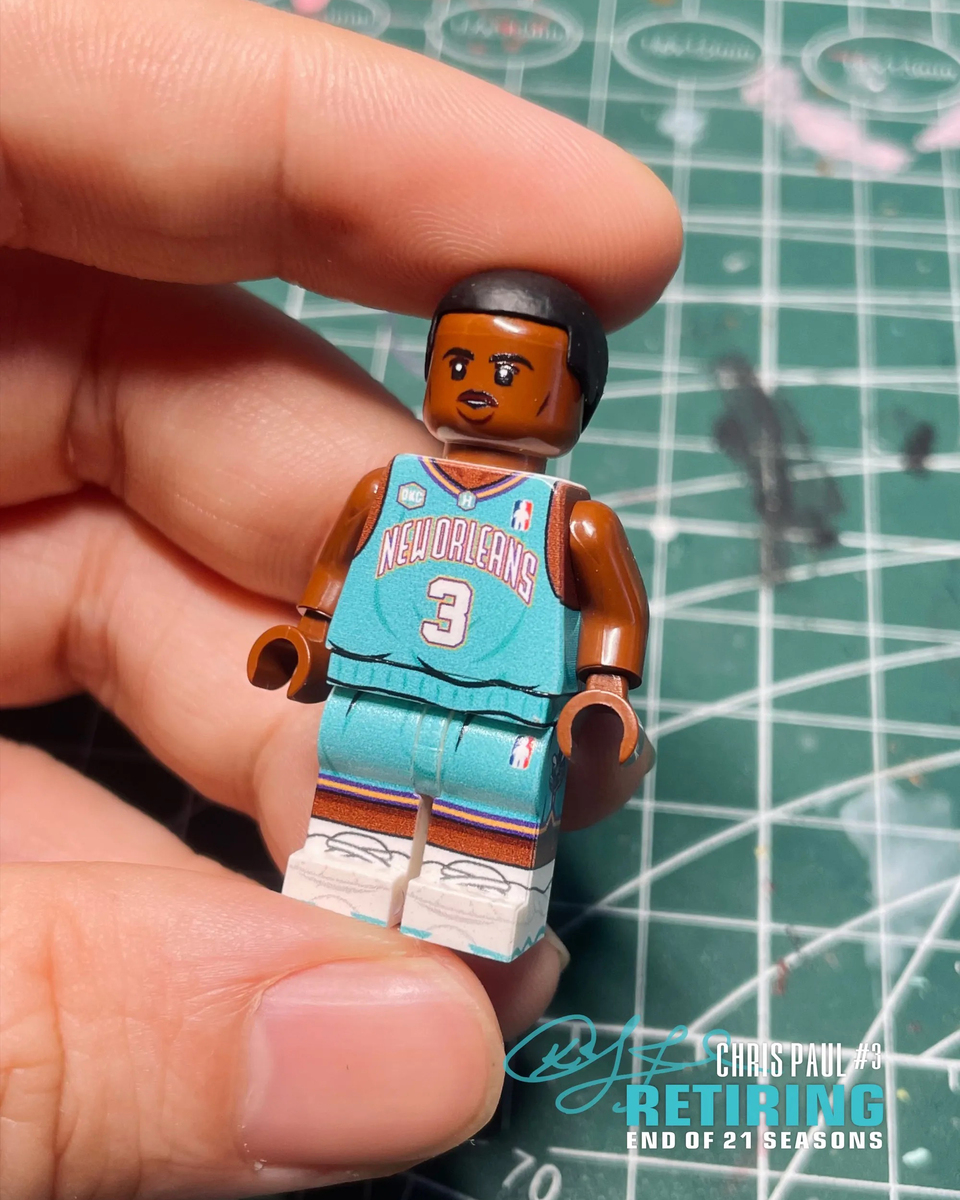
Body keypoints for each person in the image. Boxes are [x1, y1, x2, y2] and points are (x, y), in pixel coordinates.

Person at [0, 0, 682, 1194]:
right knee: (357, 798)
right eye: (459, 363)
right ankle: (360, 871)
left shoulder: (567, 521)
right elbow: (336, 562)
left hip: (501, 710)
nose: (480, 386)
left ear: (572, 400)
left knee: (484, 820)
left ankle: (476, 888)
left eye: (510, 370)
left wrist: (608, 688)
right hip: (374, 685)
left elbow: (614, 607)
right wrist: (309, 636)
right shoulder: (390, 486)